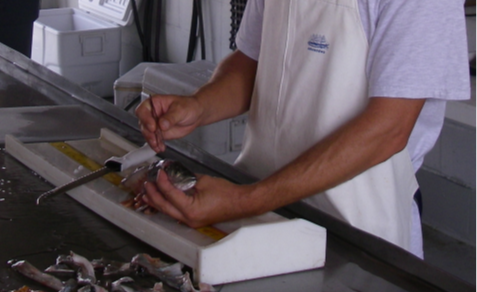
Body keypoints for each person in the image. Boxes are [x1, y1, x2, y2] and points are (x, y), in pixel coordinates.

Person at [135, 0, 471, 258]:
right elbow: (251, 61)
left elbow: (388, 128)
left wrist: (245, 200)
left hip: (357, 235)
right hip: (264, 211)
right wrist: (199, 105)